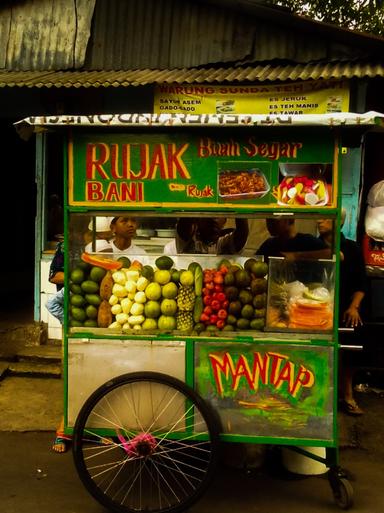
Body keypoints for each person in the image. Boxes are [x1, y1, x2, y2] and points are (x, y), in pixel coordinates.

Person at [317, 212, 367, 415]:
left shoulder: (352, 248)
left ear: (339, 222)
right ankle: (319, 394)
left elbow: (361, 283)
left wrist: (354, 306)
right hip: (318, 307)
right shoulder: (313, 245)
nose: (320, 220)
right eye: (320, 217)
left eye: (326, 217)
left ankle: (347, 394)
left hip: (344, 306)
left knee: (351, 342)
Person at [256, 217, 327, 260]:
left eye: (274, 220)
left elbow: (330, 254)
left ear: (290, 219)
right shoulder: (269, 244)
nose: (269, 224)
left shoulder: (307, 241)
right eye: (268, 220)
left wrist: (296, 256)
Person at [173, 217, 248, 254]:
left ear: (225, 220)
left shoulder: (224, 242)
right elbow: (184, 224)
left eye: (219, 213)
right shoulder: (188, 236)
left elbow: (242, 233)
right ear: (197, 219)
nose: (214, 218)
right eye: (210, 212)